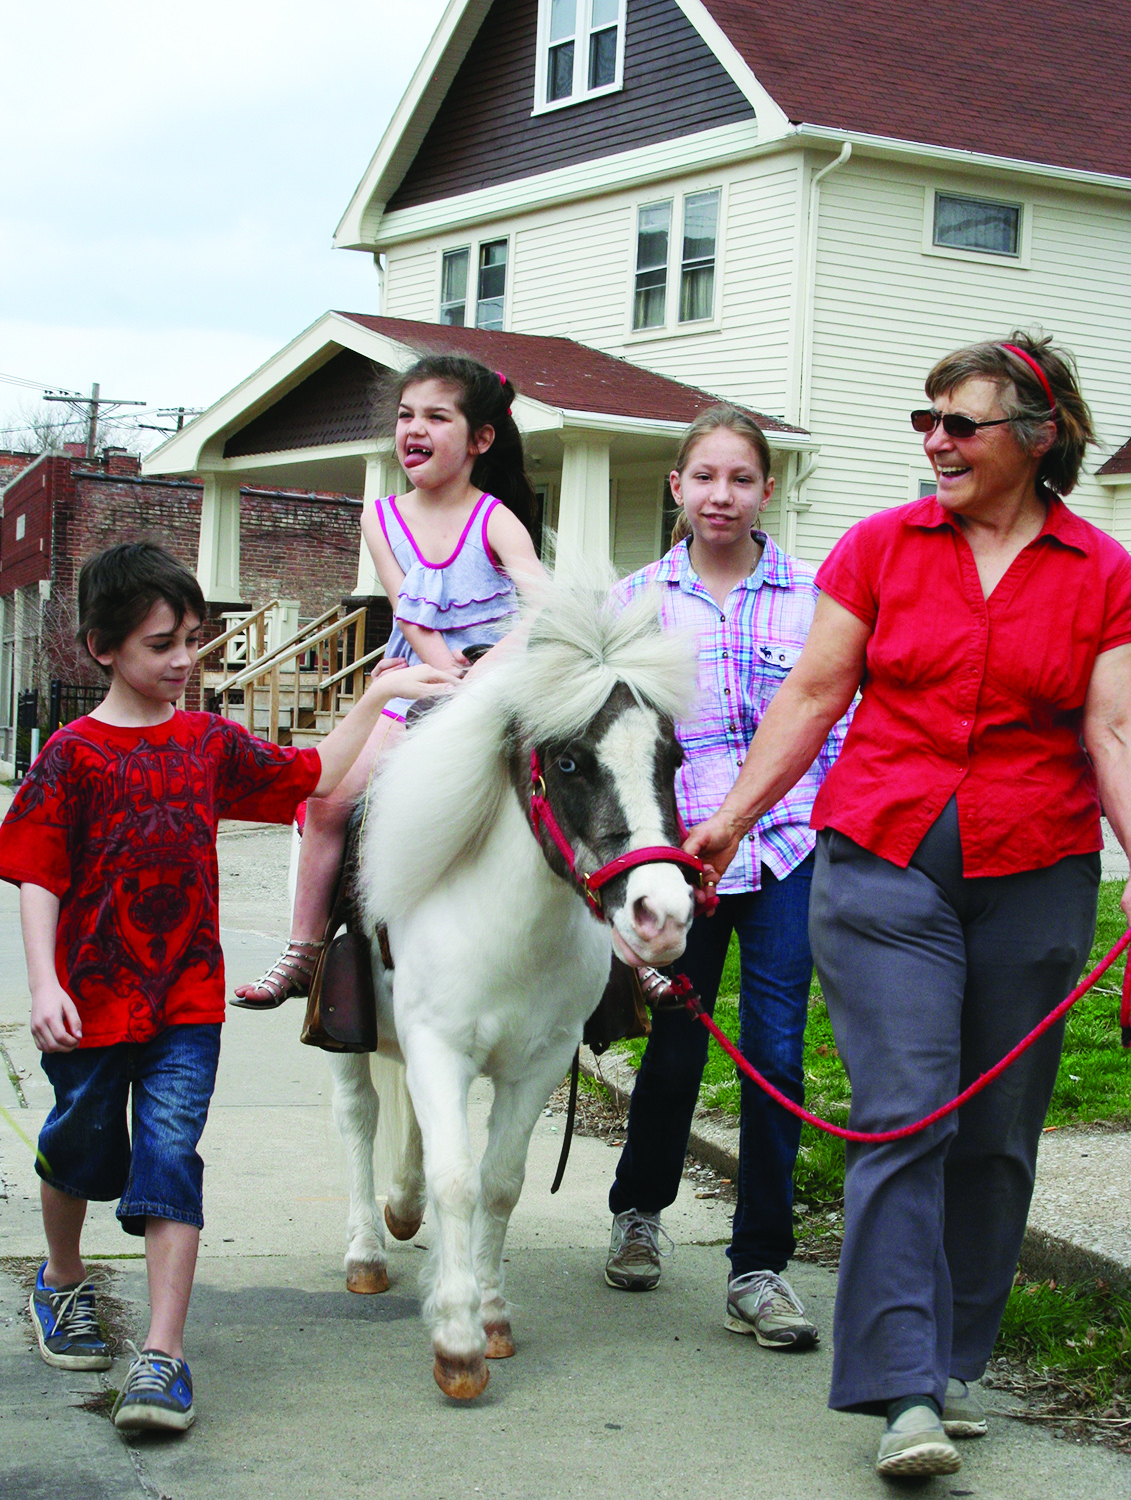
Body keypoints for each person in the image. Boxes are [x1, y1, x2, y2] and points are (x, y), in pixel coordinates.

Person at [685, 333, 1131, 1478]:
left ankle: (952, 1361)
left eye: (959, 425)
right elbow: (818, 690)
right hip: (883, 858)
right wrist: (733, 818)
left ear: (1040, 437)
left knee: (996, 1138)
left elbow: (1114, 730)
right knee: (906, 1111)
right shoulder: (882, 547)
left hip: (1036, 864)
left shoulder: (1102, 571)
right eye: (924, 422)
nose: (933, 443)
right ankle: (900, 1392)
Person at [0, 542, 458, 1434]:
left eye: (193, 643)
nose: (182, 662)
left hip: (184, 1005)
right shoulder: (72, 754)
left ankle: (164, 1359)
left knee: (170, 1160)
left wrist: (380, 694)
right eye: (161, 644)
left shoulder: (207, 743)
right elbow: (36, 874)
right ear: (103, 648)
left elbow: (312, 776)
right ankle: (61, 1281)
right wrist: (44, 982)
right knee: (80, 1147)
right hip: (90, 1002)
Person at [603, 406, 848, 1353]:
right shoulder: (633, 603)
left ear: (766, 491)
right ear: (676, 487)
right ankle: (638, 1209)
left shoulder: (817, 600)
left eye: (740, 479)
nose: (720, 495)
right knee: (671, 1049)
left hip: (787, 847)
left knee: (776, 1056)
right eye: (703, 477)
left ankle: (759, 1268)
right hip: (675, 859)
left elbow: (839, 721)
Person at [234, 353, 547, 1008]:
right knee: (328, 800)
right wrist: (440, 675)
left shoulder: (494, 519)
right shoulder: (379, 517)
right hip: (417, 685)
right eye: (407, 415)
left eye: (437, 416)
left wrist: (482, 672)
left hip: (494, 684)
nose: (415, 428)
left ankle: (627, 955)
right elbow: (409, 607)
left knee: (571, 787)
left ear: (479, 438)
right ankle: (305, 949)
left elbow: (544, 608)